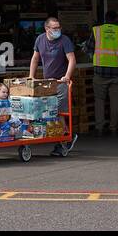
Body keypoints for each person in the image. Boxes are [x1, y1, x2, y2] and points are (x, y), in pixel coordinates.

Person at [28, 16, 76, 156]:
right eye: (54, 28)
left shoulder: (64, 40)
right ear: (47, 29)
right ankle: (64, 137)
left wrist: (67, 76)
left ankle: (64, 140)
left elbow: (72, 59)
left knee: (59, 111)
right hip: (47, 82)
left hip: (60, 82)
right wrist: (31, 76)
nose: (58, 30)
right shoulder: (40, 40)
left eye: (59, 28)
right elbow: (35, 58)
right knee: (50, 112)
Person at [90, 11, 118, 137]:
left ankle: (99, 128)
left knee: (99, 100)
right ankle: (113, 128)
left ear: (105, 19)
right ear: (117, 20)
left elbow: (88, 48)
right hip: (117, 72)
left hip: (100, 72)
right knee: (115, 101)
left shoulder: (96, 31)